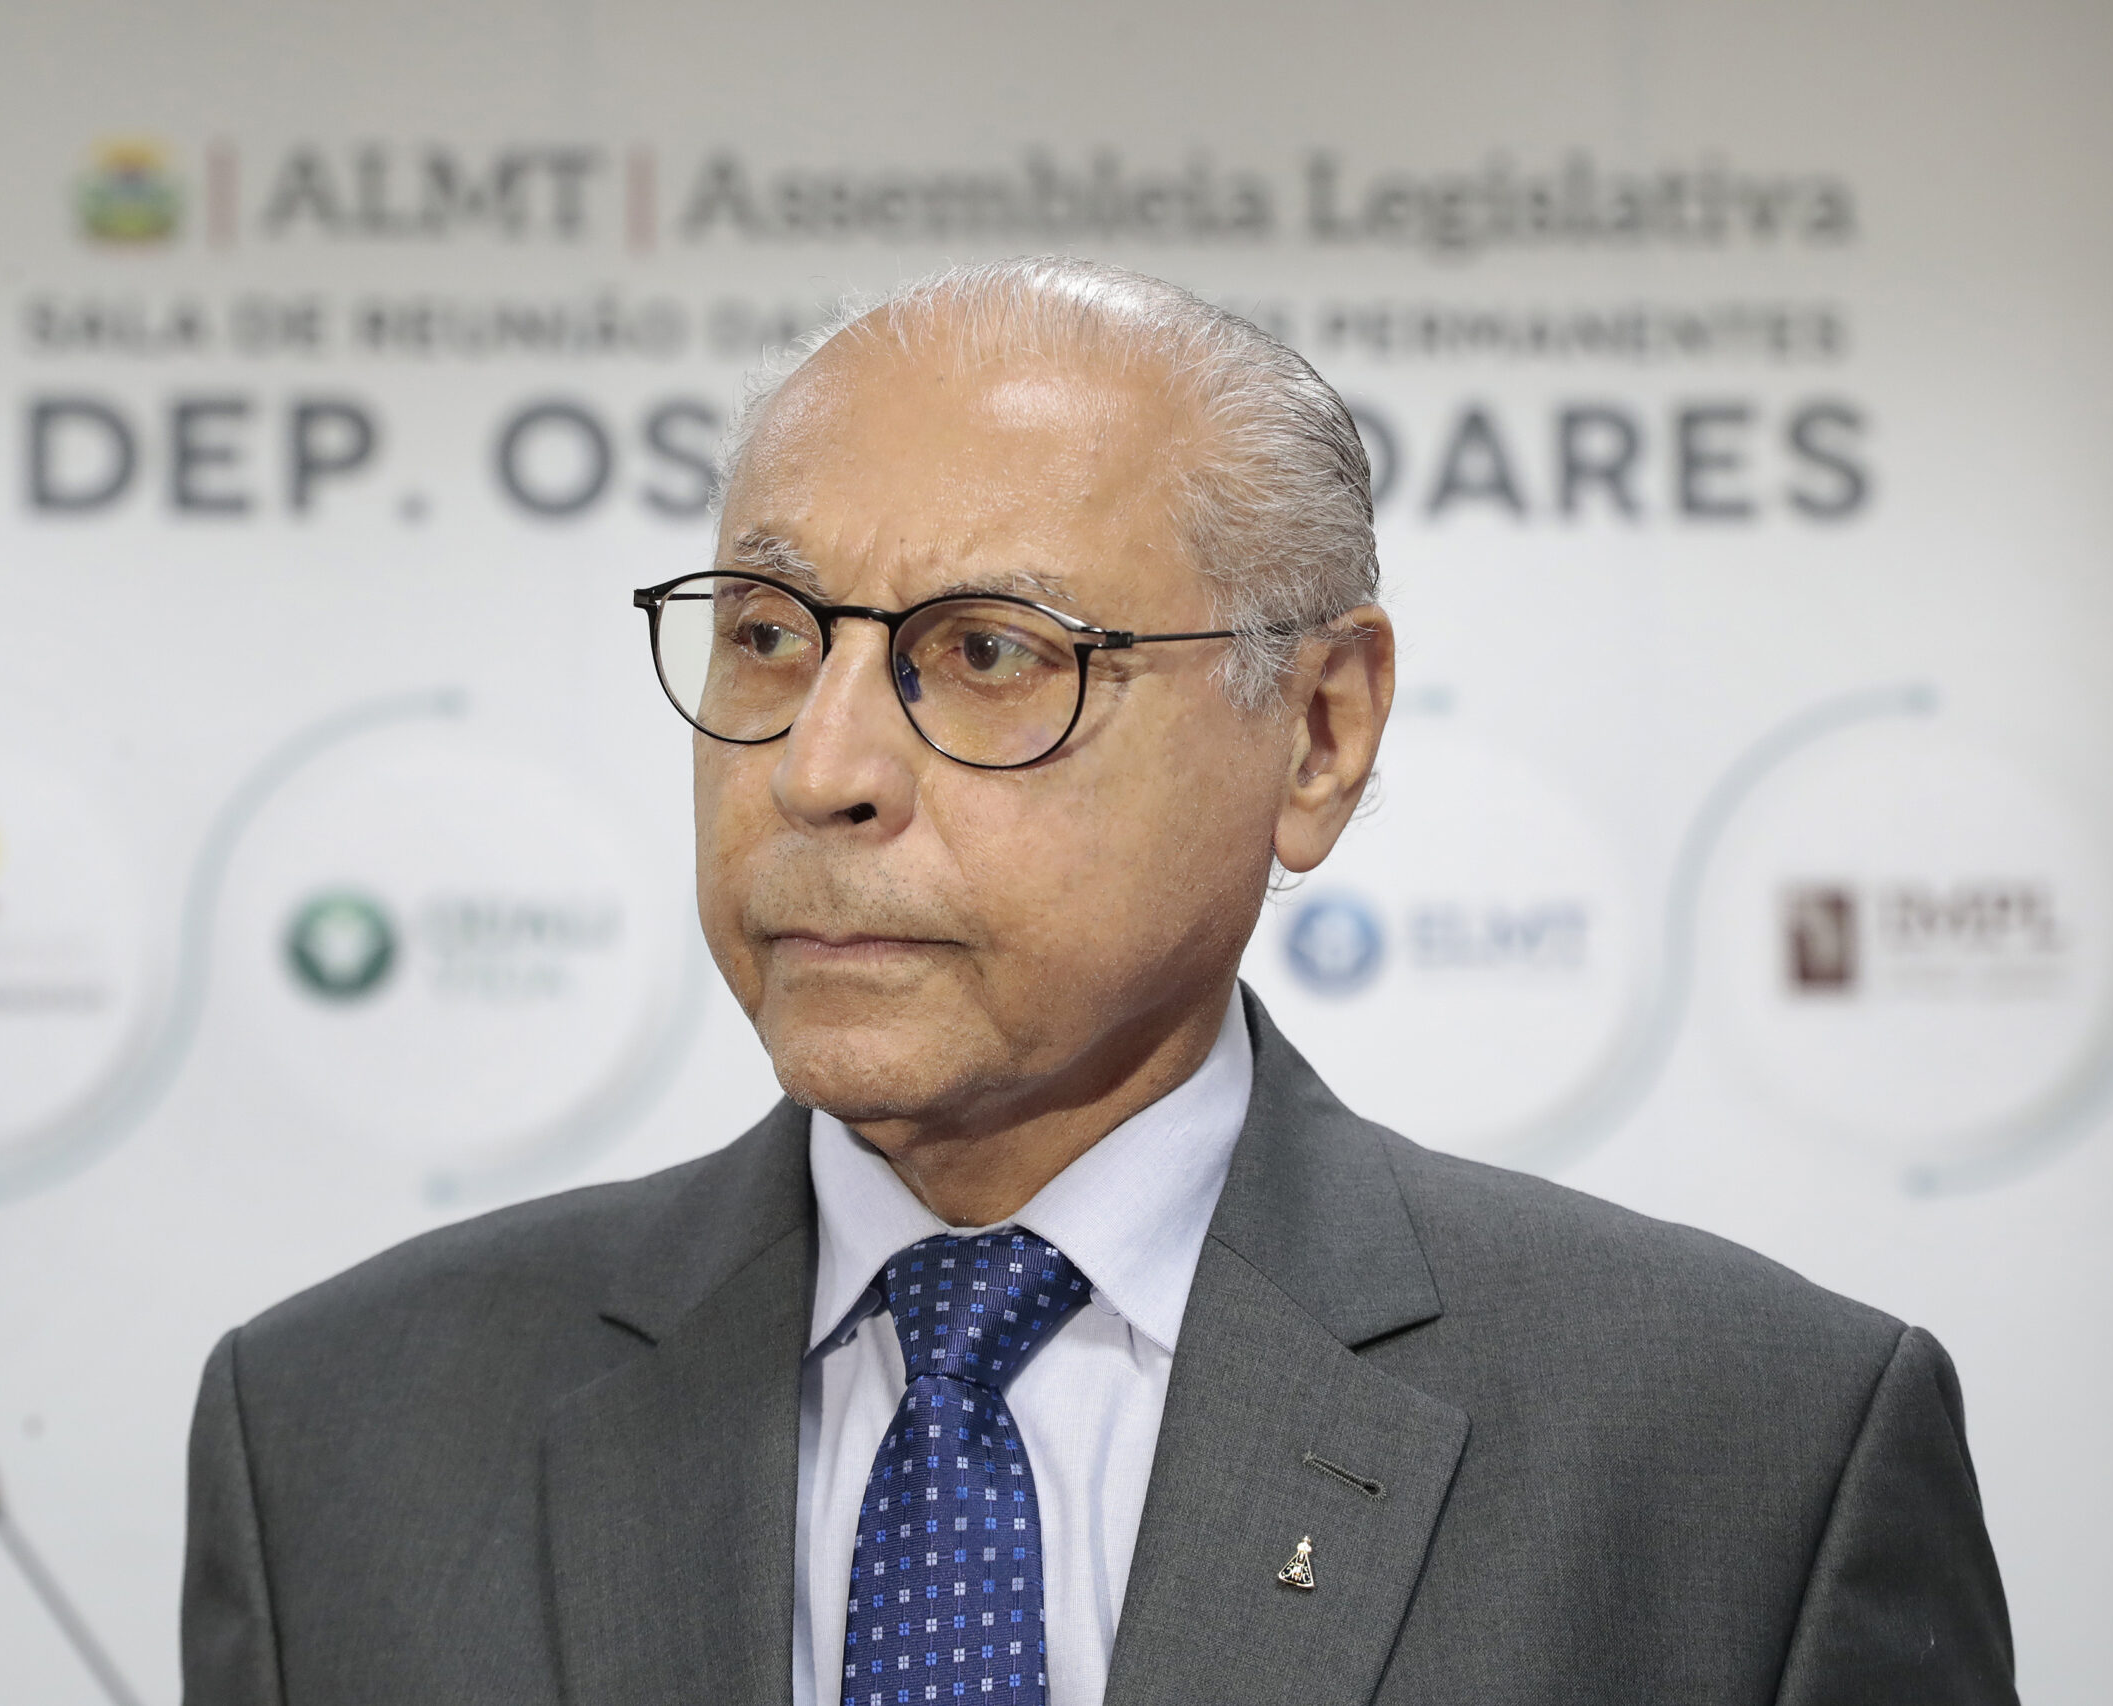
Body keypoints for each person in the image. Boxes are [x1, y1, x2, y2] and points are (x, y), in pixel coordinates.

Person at [181, 257, 2016, 1706]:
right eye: (768, 634)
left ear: (1318, 732)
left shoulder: (1751, 1455)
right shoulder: (338, 1431)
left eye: (990, 652)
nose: (820, 767)